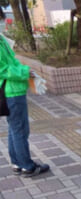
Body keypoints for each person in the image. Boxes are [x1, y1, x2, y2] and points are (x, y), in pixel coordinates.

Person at [0, 8, 49, 177]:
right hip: (11, 91)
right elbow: (3, 69)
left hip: (11, 89)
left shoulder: (0, 40)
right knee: (20, 129)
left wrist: (25, 69)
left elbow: (11, 62)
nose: (3, 22)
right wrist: (24, 72)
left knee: (15, 128)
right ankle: (27, 165)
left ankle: (17, 162)